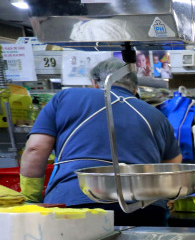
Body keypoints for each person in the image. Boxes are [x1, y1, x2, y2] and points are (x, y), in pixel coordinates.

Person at [19, 57, 182, 226]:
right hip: (145, 207)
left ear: (94, 83)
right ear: (135, 89)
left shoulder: (65, 97)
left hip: (75, 201)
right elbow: (173, 164)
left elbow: (35, 149)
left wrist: (30, 199)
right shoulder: (157, 115)